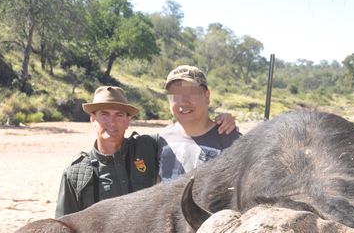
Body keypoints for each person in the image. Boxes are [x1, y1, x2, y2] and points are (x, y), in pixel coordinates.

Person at [55, 84, 236, 217]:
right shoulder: (76, 174)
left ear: (128, 121)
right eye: (104, 115)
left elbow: (188, 131)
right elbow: (64, 228)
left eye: (119, 115)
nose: (112, 122)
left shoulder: (148, 147)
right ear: (92, 119)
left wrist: (221, 121)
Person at [158, 65, 241, 181]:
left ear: (207, 96)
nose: (183, 102)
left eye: (191, 93)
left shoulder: (231, 140)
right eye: (176, 95)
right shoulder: (163, 138)